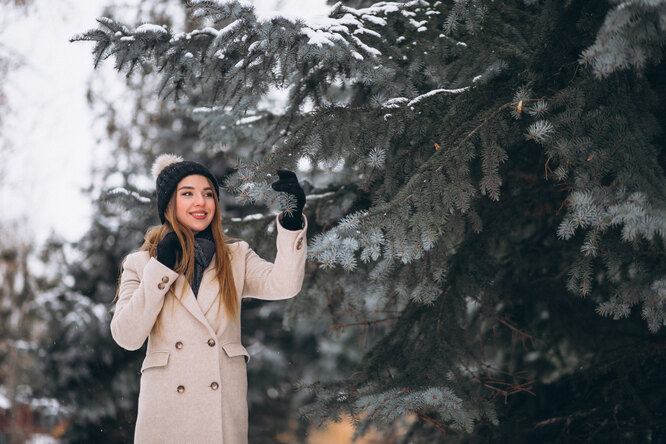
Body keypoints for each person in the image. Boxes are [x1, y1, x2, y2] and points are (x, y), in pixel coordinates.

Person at [111, 154, 307, 444]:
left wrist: (291, 223)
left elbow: (285, 284)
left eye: (208, 194)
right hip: (165, 420)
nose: (200, 202)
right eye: (187, 194)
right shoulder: (141, 264)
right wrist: (161, 268)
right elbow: (126, 336)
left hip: (220, 421)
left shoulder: (236, 257)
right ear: (168, 204)